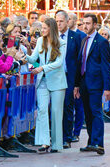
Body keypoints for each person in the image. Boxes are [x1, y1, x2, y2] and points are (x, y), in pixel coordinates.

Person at [26, 18, 67, 153]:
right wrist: (24, 56)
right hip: (42, 81)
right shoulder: (40, 41)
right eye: (41, 28)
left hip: (57, 81)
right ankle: (44, 142)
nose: (42, 30)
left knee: (56, 112)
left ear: (51, 29)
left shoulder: (61, 43)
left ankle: (56, 144)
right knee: (42, 109)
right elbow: (33, 58)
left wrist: (42, 68)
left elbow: (59, 63)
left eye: (44, 28)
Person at [74, 13, 110, 155]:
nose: (85, 26)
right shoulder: (84, 40)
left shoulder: (102, 42)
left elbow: (105, 65)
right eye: (84, 23)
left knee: (96, 112)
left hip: (96, 83)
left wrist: (107, 87)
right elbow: (79, 63)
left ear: (95, 25)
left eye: (88, 23)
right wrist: (77, 85)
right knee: (88, 114)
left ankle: (99, 144)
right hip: (84, 83)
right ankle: (91, 142)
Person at [55, 10, 81, 149]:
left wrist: (77, 82)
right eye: (57, 21)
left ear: (67, 21)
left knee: (67, 106)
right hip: (55, 77)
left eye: (61, 21)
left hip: (69, 77)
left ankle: (66, 138)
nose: (59, 24)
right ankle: (56, 137)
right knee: (55, 107)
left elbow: (79, 60)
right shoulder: (52, 37)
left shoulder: (76, 37)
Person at [68, 12, 86, 143]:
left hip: (78, 76)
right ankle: (67, 132)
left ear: (74, 21)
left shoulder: (81, 36)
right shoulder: (60, 36)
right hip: (65, 76)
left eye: (68, 19)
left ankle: (76, 132)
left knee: (79, 105)